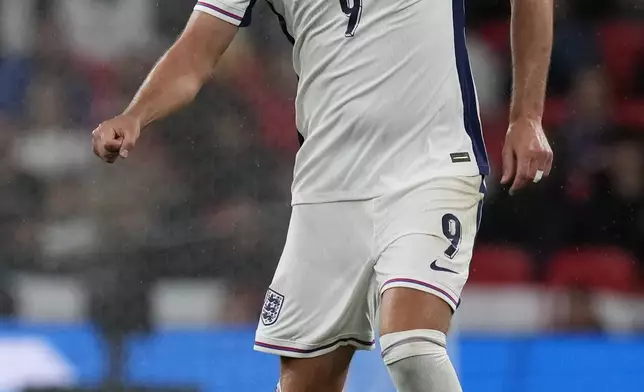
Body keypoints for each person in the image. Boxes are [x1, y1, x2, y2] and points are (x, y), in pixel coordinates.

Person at [91, 0, 554, 390]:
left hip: (430, 167)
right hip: (327, 190)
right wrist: (135, 116)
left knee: (412, 346)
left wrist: (526, 115)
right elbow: (194, 57)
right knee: (306, 382)